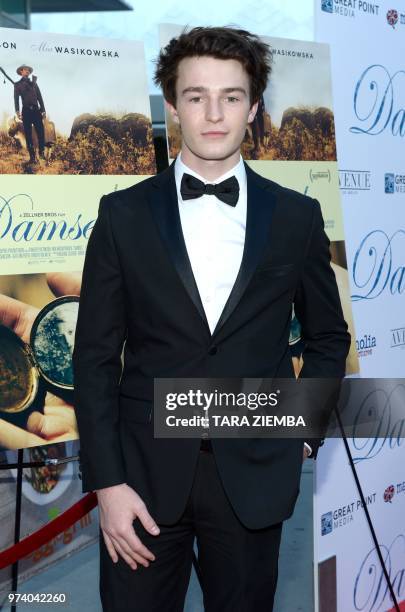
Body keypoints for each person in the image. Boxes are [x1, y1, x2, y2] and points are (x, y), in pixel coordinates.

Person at [72, 26, 351, 612]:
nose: (214, 113)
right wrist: (107, 484)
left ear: (253, 108)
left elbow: (328, 337)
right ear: (172, 106)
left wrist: (302, 426)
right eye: (197, 96)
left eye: (231, 96)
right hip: (141, 478)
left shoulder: (297, 217)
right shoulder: (122, 215)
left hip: (254, 471)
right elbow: (95, 359)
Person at [14, 64, 46, 163]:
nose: (27, 71)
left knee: (41, 132)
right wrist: (18, 111)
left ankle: (41, 154)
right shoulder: (17, 84)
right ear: (21, 72)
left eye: (28, 70)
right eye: (25, 70)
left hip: (36, 111)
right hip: (26, 111)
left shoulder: (34, 83)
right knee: (28, 135)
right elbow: (16, 99)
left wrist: (43, 109)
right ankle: (32, 157)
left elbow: (40, 97)